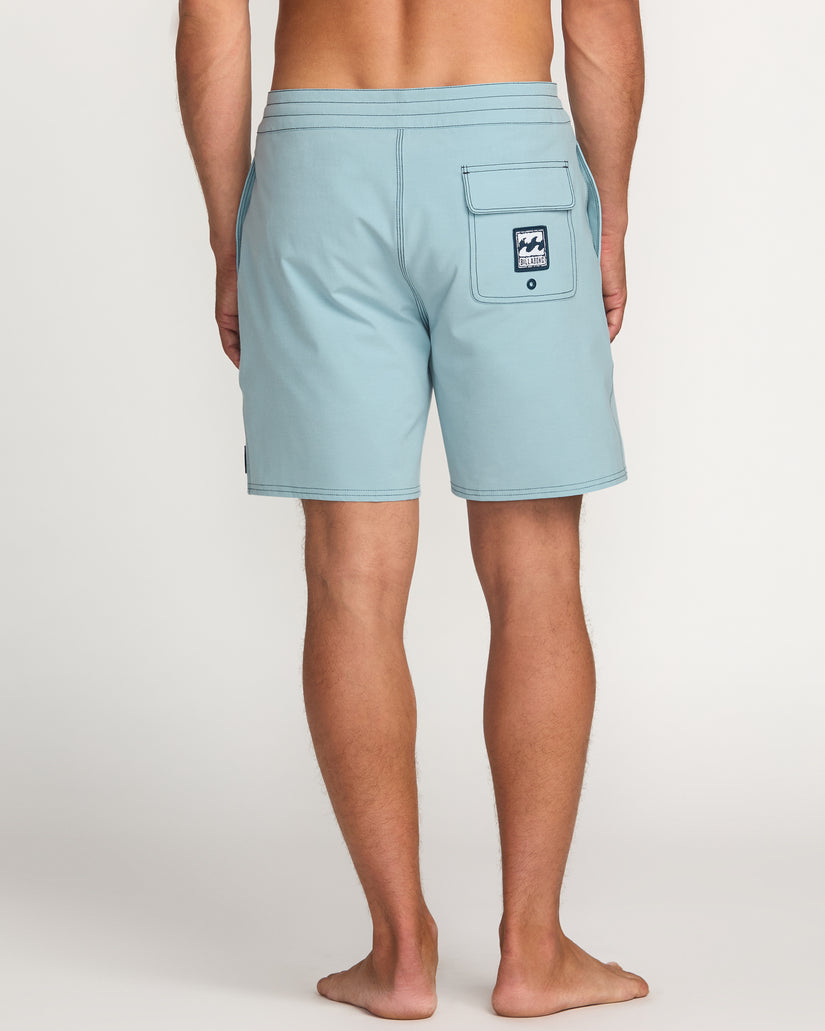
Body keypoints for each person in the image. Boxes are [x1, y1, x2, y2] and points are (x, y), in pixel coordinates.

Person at [176, 0, 647, 1019]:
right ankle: (533, 950)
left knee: (350, 576)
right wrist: (608, 214)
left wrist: (229, 236)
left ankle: (398, 954)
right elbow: (601, 18)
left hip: (316, 162)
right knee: (535, 569)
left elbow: (212, 22)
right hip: (504, 148)